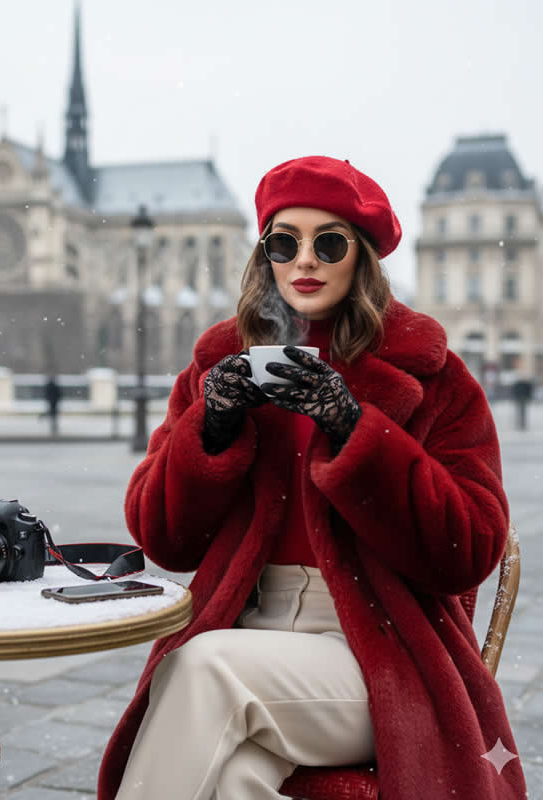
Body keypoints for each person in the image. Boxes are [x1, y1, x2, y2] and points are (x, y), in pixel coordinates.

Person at [97, 156, 527, 800]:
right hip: (250, 630)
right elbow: (164, 539)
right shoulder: (220, 364)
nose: (304, 261)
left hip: (382, 652)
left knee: (202, 670)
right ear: (263, 254)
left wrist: (357, 432)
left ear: (361, 259)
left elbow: (470, 548)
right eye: (283, 242)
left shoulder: (434, 375)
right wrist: (210, 430)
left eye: (329, 243)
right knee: (233, 776)